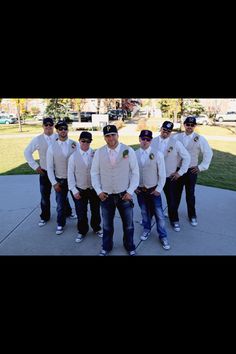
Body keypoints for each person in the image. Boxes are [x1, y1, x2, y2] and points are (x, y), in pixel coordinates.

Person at [91, 124, 139, 256]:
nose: (110, 138)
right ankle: (106, 246)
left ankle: (129, 246)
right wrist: (98, 191)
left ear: (117, 135)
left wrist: (130, 191)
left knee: (128, 225)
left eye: (113, 135)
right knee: (107, 226)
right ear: (104, 138)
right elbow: (94, 173)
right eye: (107, 136)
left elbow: (135, 172)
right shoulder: (99, 152)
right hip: (106, 195)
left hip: (124, 194)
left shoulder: (128, 150)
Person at [24, 117, 75, 227]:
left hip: (60, 172)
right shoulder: (37, 139)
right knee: (45, 196)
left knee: (62, 196)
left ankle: (68, 212)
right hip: (45, 172)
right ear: (42, 126)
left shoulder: (59, 136)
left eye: (50, 125)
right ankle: (45, 216)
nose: (48, 127)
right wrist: (35, 166)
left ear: (53, 126)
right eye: (45, 125)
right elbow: (27, 152)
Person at [151, 121, 190, 232]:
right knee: (151, 199)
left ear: (171, 132)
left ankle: (174, 220)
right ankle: (150, 217)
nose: (166, 132)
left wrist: (180, 172)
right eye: (164, 130)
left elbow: (187, 157)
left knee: (172, 201)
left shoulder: (176, 143)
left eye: (168, 131)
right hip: (155, 177)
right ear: (161, 129)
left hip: (169, 177)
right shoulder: (152, 141)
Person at [174, 116, 213, 226]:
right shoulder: (177, 137)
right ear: (184, 125)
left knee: (190, 194)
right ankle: (173, 212)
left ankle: (192, 215)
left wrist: (201, 167)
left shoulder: (200, 139)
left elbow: (208, 153)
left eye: (192, 125)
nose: (189, 127)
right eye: (187, 124)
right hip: (179, 170)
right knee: (176, 193)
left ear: (195, 126)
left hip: (191, 171)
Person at [135, 130, 170, 250]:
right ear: (139, 139)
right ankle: (146, 229)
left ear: (151, 141)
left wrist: (159, 189)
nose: (145, 141)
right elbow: (131, 173)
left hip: (153, 189)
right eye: (143, 139)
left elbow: (162, 174)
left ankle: (163, 236)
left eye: (148, 139)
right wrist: (134, 187)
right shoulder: (134, 154)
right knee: (144, 212)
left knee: (159, 214)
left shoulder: (158, 154)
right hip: (140, 190)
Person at [68, 131, 103, 242]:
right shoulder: (73, 157)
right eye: (83, 141)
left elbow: (100, 172)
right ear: (79, 141)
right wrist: (74, 190)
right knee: (81, 212)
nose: (85, 143)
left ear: (90, 142)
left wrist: (100, 189)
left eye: (88, 141)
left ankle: (96, 227)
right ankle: (82, 231)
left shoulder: (95, 154)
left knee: (95, 210)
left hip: (94, 189)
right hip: (80, 188)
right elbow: (70, 174)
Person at [46, 120, 77, 235]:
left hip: (74, 179)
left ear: (67, 130)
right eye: (60, 129)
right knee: (60, 204)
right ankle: (60, 224)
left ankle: (82, 224)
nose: (63, 131)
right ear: (57, 131)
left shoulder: (75, 144)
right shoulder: (51, 147)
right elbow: (49, 167)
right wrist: (54, 182)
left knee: (78, 202)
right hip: (60, 180)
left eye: (65, 128)